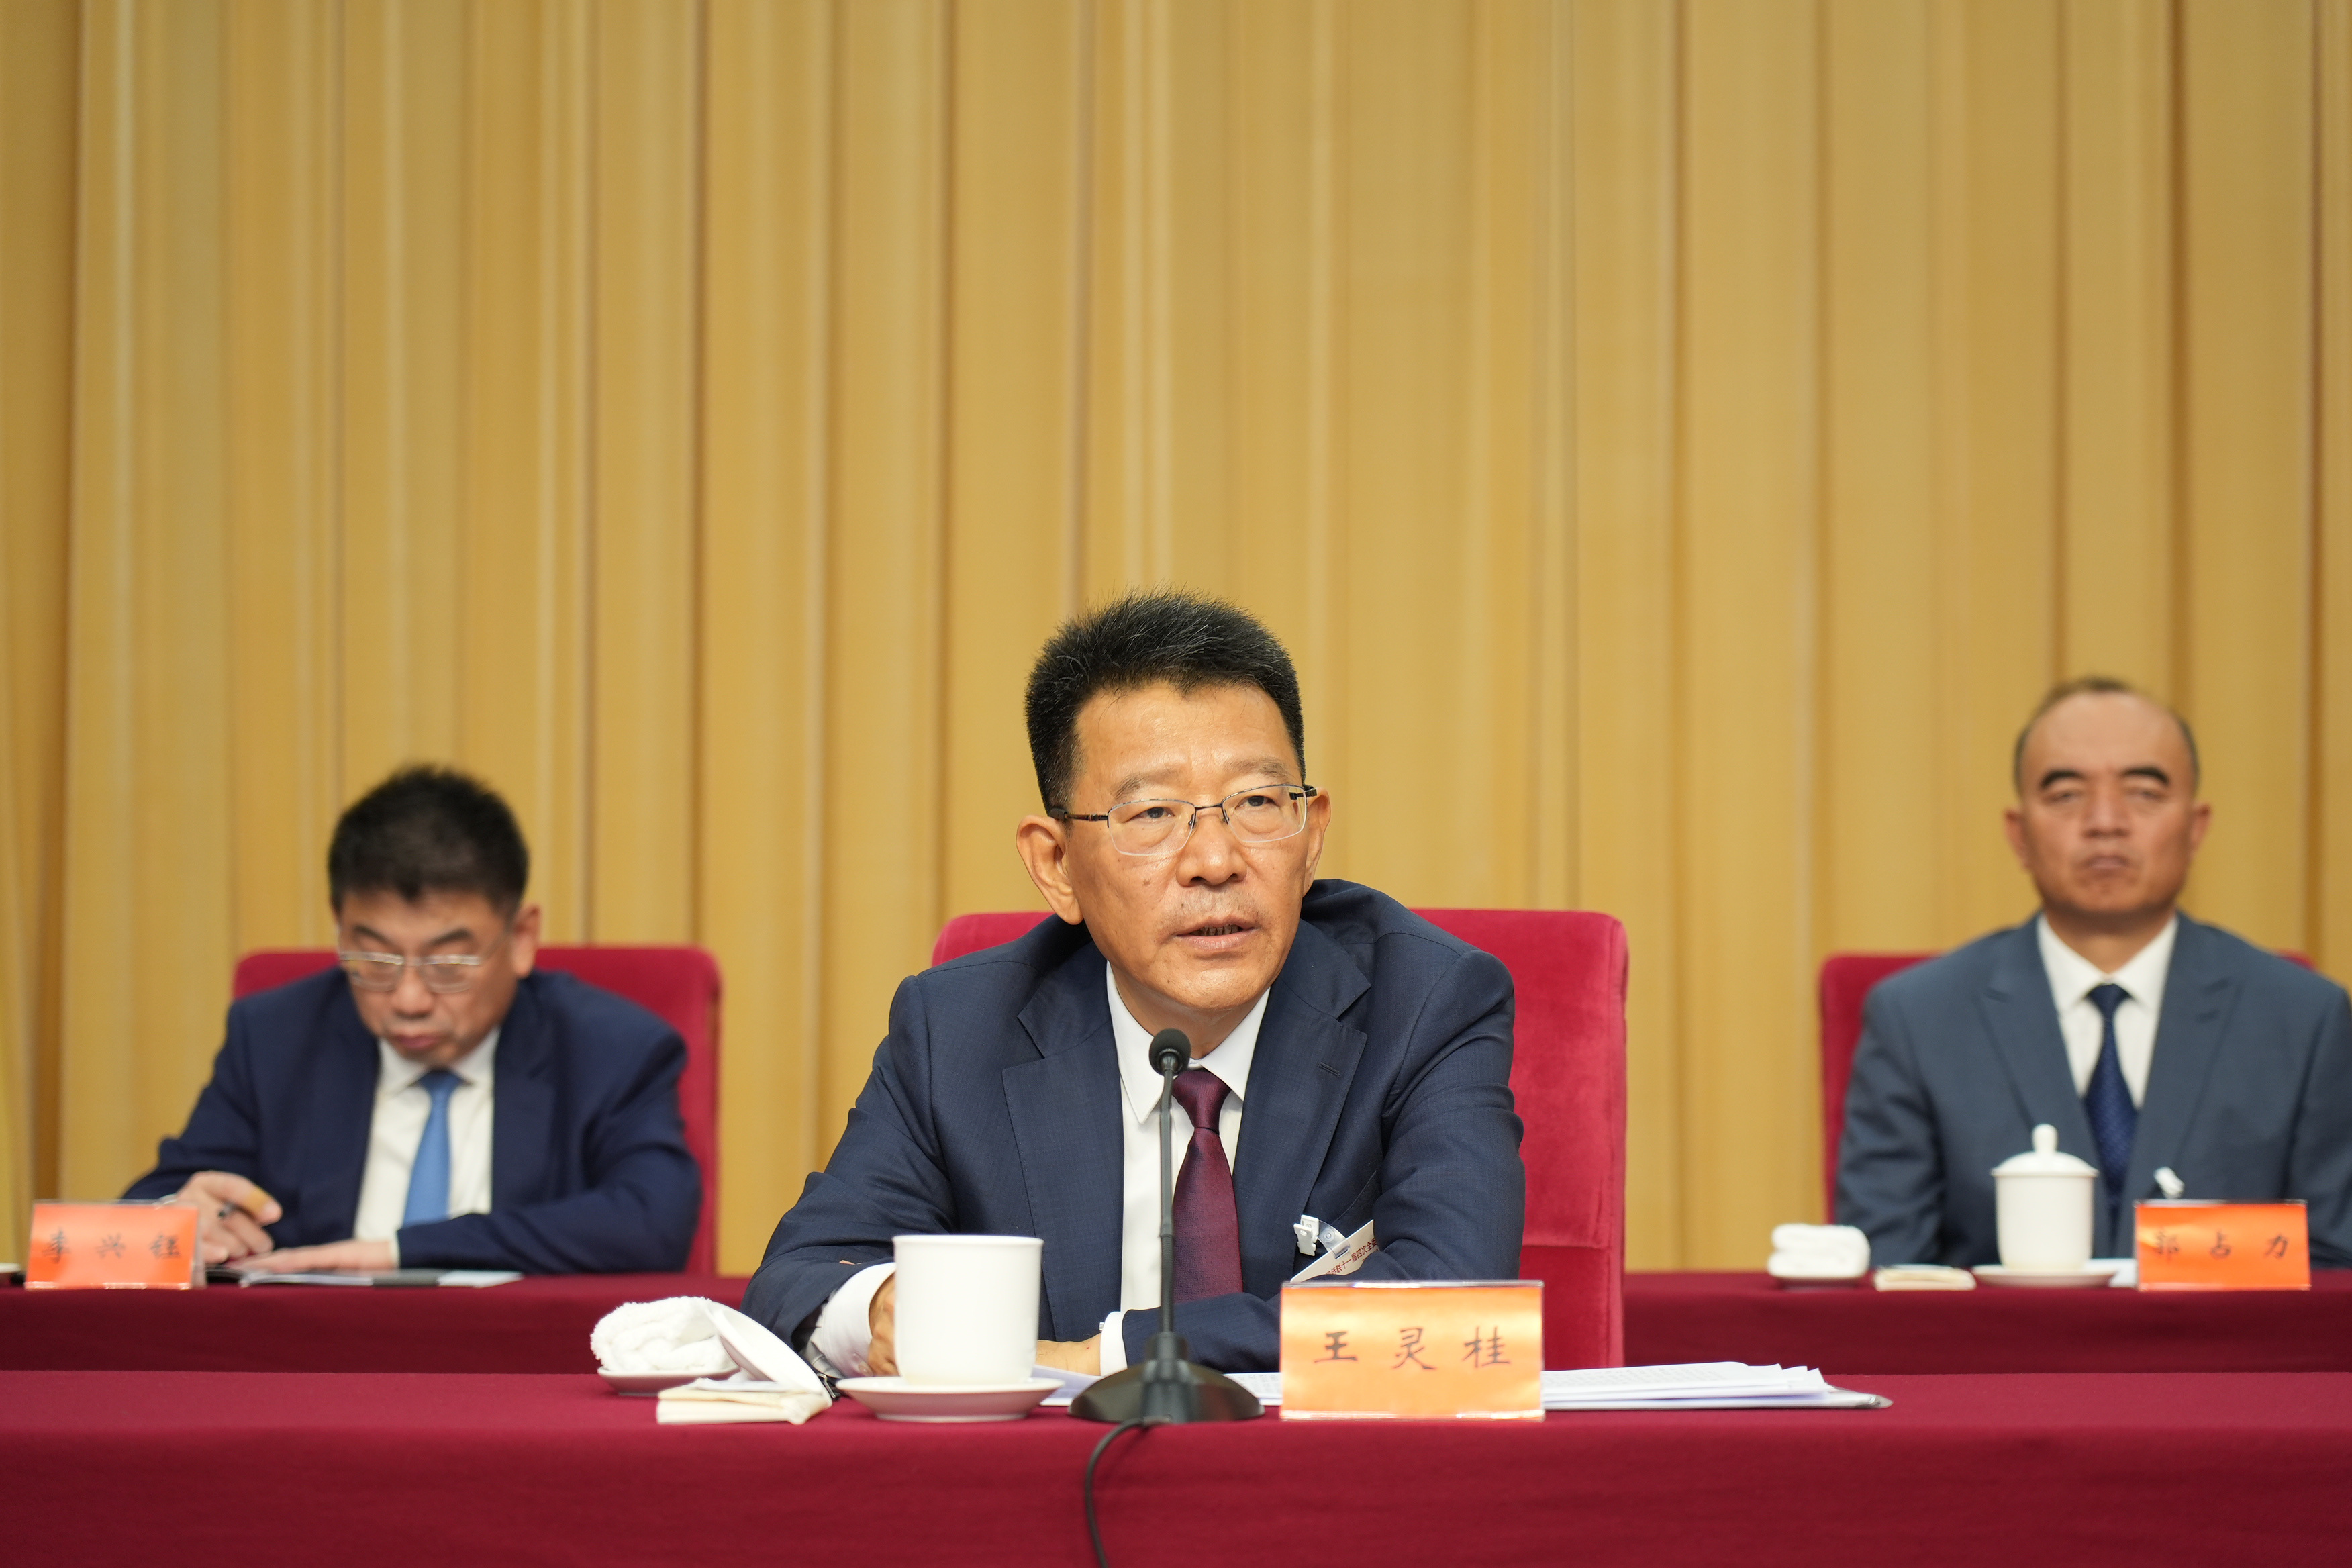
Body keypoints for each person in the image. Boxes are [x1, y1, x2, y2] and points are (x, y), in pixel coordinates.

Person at [741, 590, 1525, 1373]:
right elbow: (803, 1276)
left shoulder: (1425, 1003)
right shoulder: (958, 1031)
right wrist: (884, 1309)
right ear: (1056, 864)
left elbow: (1455, 1303)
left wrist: (1112, 1354)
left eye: (1257, 801)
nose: (1215, 860)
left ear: (1311, 833)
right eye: (1152, 814)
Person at [1837, 676, 2352, 1267]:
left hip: (2223, 1333)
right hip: (1999, 1333)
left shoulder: (2301, 1020)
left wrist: (2172, 1262)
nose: (2105, 821)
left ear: (2196, 828)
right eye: (2066, 795)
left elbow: (2334, 1265)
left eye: (2144, 792)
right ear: (2019, 835)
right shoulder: (1918, 1019)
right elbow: (1885, 1270)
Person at [123, 765, 701, 1274]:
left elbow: (653, 1221)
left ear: (522, 938)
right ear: (339, 926)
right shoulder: (275, 1039)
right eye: (375, 960)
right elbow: (139, 1214)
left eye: (448, 965)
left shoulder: (610, 1048)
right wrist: (178, 1218)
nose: (408, 999)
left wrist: (399, 1252)